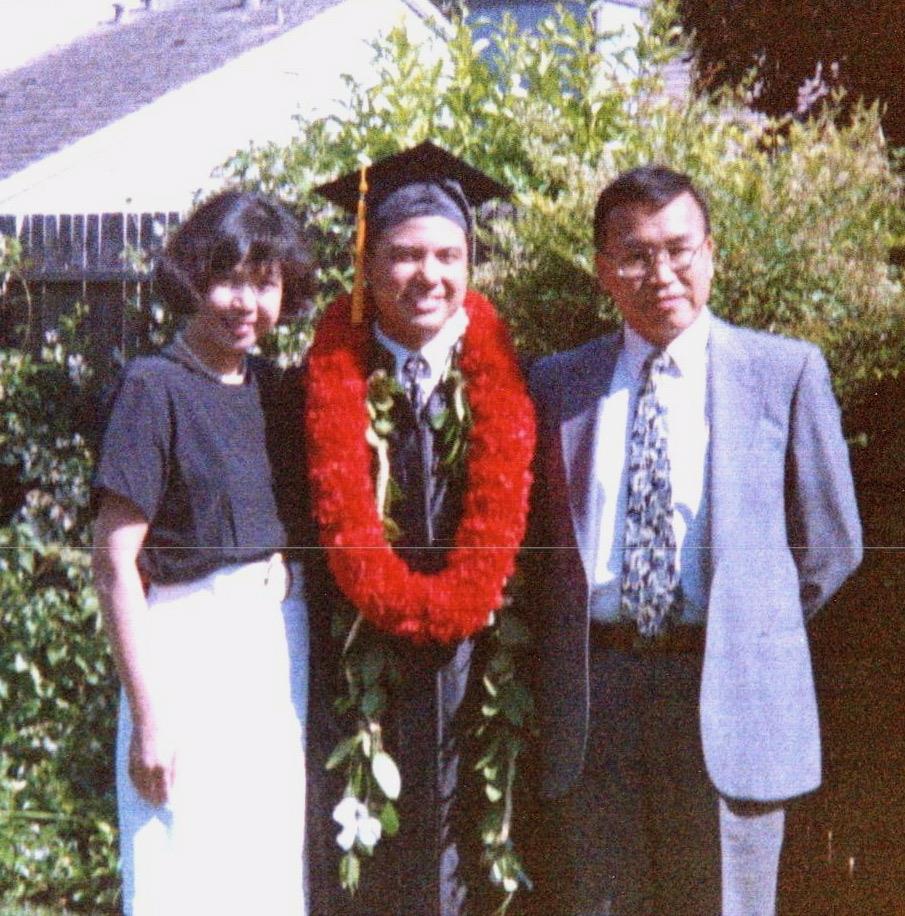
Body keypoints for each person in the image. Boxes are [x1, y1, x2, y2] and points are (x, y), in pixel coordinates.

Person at [526, 165, 862, 915]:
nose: (662, 273)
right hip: (596, 700)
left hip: (727, 696)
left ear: (711, 253)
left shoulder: (783, 373)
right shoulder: (557, 384)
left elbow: (830, 546)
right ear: (602, 269)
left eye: (680, 250)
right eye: (636, 254)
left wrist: (744, 626)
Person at [303, 141, 535, 915]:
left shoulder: (523, 384)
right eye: (403, 256)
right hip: (353, 688)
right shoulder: (313, 393)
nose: (427, 275)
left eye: (447, 255)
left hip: (490, 683)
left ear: (470, 267)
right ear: (366, 269)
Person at [91, 190, 314, 916]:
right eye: (228, 278)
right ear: (192, 278)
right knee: (178, 871)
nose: (246, 301)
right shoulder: (152, 388)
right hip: (185, 651)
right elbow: (115, 563)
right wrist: (151, 714)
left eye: (266, 281)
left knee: (262, 866)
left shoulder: (276, 391)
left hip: (274, 649)